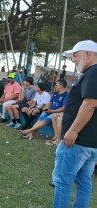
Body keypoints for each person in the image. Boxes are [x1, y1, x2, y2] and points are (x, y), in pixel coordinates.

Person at [51, 40, 97, 208]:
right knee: (84, 181)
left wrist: (73, 131)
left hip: (77, 142)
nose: (73, 60)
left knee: (62, 181)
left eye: (75, 56)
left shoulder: (93, 72)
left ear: (87, 54)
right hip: (90, 142)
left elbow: (90, 103)